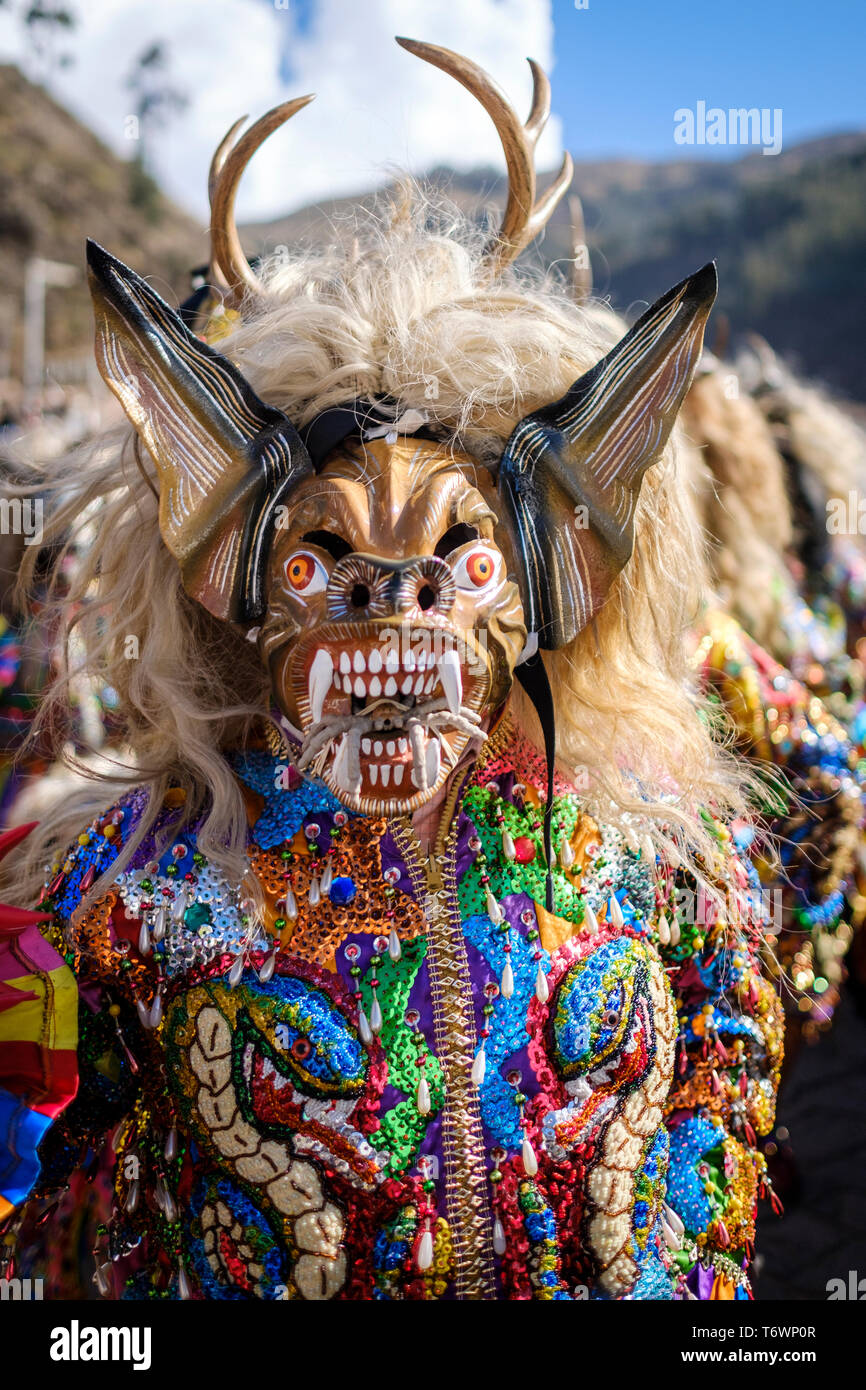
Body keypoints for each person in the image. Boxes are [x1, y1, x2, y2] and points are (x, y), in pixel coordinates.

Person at [0, 39, 782, 1301]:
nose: (394, 600)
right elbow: (60, 1198)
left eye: (457, 558)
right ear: (236, 581)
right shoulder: (126, 884)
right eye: (327, 559)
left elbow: (728, 1085)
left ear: (548, 578)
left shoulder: (661, 859)